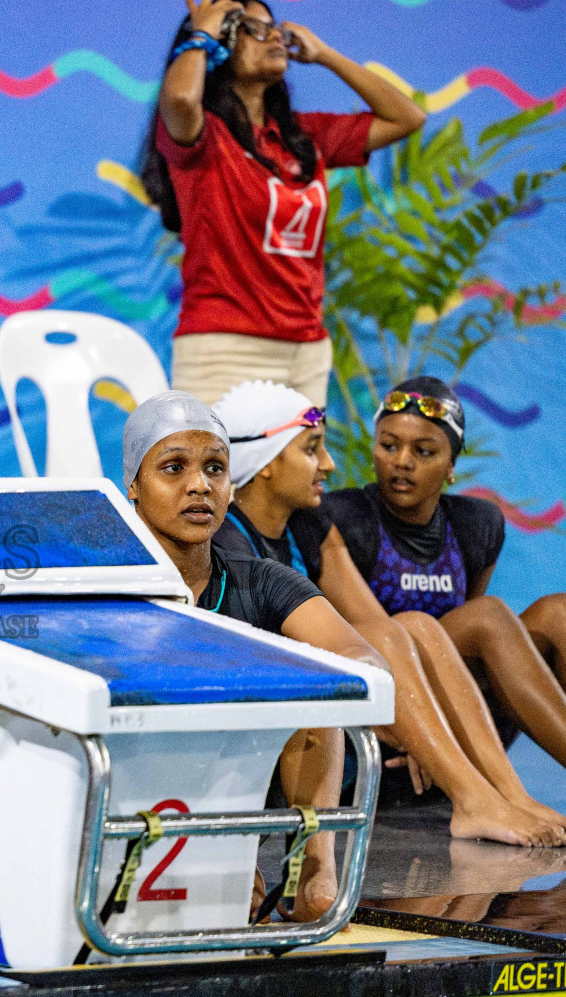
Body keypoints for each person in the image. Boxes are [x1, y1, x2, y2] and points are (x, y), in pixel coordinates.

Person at [212, 381, 566, 846]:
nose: (329, 464)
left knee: (412, 627)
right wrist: (406, 725)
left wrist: (417, 721)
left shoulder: (302, 529)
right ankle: (473, 799)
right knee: (393, 636)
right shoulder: (229, 545)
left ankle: (506, 794)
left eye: (424, 451)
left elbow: (375, 632)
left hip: (337, 731)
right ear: (265, 463)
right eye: (311, 450)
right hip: (277, 753)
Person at [322, 376, 566, 836]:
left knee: (564, 611)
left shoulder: (477, 524)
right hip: (392, 733)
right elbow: (379, 647)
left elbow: (475, 656)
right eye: (389, 445)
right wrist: (415, 721)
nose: (401, 463)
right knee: (487, 618)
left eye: (424, 451)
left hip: (463, 719)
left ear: (452, 464)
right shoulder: (343, 517)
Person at [120, 391, 387, 920]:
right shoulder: (105, 592)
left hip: (242, 782)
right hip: (141, 790)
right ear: (133, 485)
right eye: (173, 468)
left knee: (317, 685)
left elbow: (358, 655)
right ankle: (225, 858)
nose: (199, 485)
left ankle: (314, 868)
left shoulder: (260, 580)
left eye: (215, 468)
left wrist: (309, 677)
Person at [139, 0, 426, 406]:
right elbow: (182, 97)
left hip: (306, 353)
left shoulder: (304, 136)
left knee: (305, 473)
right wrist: (201, 33)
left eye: (275, 27)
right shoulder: (203, 136)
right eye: (253, 29)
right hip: (223, 352)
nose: (273, 36)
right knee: (221, 474)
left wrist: (325, 55)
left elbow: (406, 117)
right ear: (220, 46)